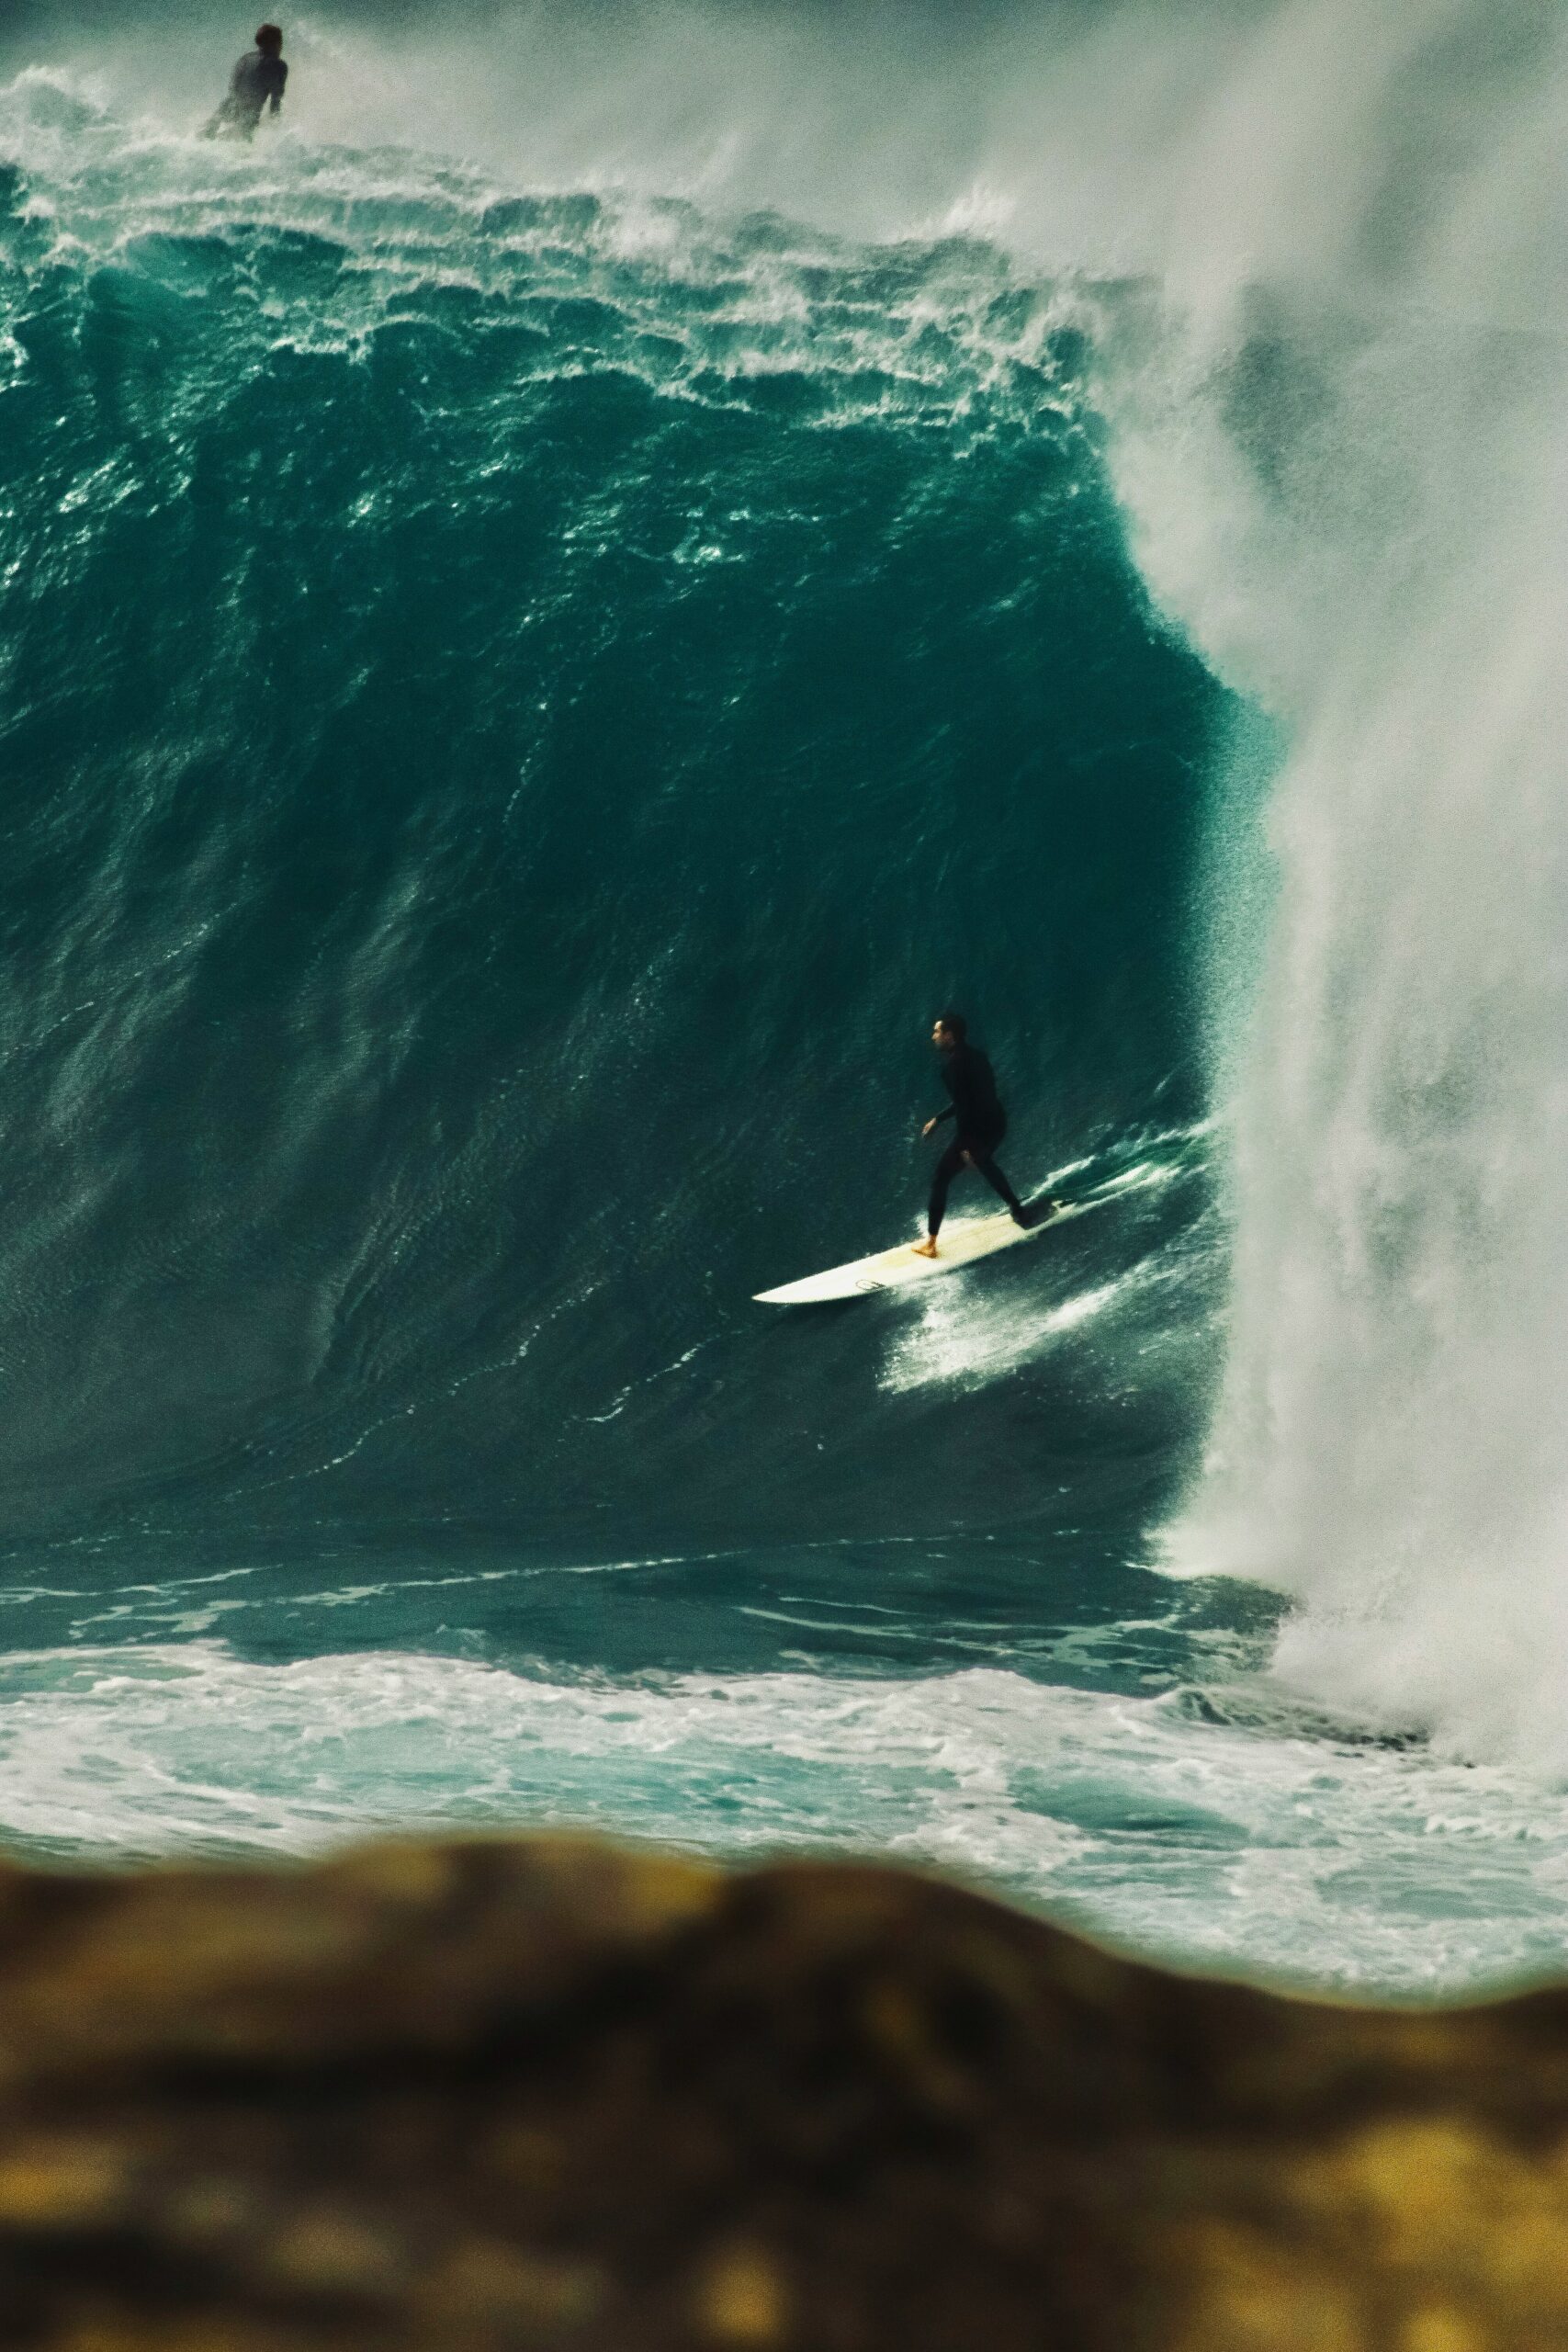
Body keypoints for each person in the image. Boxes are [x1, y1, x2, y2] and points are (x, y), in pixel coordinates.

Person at [912, 1012, 1043, 1258]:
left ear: (950, 1035)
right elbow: (977, 1097)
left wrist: (965, 1146)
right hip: (996, 1122)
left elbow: (965, 1107)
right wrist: (938, 1119)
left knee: (941, 1178)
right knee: (984, 1162)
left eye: (937, 1032)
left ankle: (931, 1245)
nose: (933, 1036)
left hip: (976, 1129)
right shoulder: (978, 1056)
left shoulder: (952, 1068)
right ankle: (1018, 1210)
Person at [205, 24, 288, 141]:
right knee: (237, 145)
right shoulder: (278, 66)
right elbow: (275, 104)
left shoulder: (245, 59)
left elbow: (233, 86)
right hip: (249, 117)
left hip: (226, 108)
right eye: (281, 43)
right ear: (276, 44)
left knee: (204, 138)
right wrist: (276, 135)